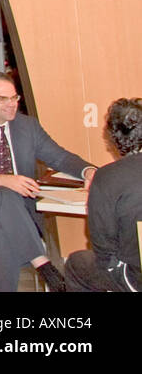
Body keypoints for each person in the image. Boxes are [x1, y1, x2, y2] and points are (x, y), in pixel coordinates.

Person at [0, 69, 96, 291]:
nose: (11, 104)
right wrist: (2, 179)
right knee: (4, 193)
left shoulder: (28, 126)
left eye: (14, 97)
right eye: (2, 99)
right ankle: (44, 266)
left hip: (17, 214)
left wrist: (87, 170)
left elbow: (59, 157)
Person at [65, 97, 142, 291]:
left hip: (135, 278)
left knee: (76, 263)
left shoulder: (107, 177)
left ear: (114, 137)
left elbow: (103, 248)